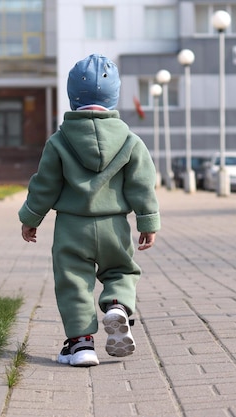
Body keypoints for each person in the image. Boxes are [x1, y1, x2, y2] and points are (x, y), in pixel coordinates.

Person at [18, 54, 160, 367]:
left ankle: (81, 345)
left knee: (73, 282)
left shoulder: (58, 141)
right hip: (114, 226)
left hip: (72, 227)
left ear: (72, 98)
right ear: (114, 97)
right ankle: (118, 307)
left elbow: (45, 185)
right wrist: (148, 222)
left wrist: (31, 217)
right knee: (121, 271)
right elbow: (142, 185)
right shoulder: (131, 141)